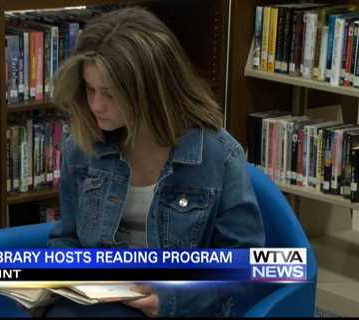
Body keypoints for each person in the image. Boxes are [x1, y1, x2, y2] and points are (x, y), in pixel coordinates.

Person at [45, 6, 265, 317]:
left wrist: (174, 297)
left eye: (109, 93)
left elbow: (246, 262)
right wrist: (52, 282)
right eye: (90, 89)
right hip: (103, 302)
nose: (95, 105)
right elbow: (67, 238)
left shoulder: (218, 155)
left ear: (150, 90)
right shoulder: (82, 146)